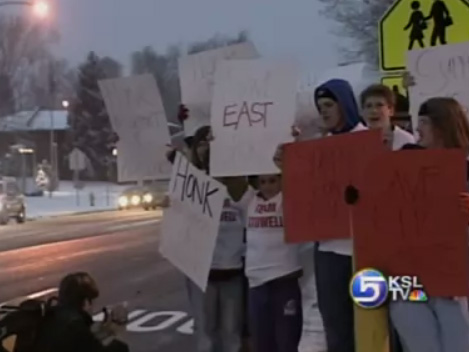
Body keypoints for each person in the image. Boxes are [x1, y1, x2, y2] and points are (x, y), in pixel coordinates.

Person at [390, 97, 469, 352]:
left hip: (453, 282)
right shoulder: (403, 165)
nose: (417, 129)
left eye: (423, 122)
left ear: (442, 125)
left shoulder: (465, 168)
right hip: (408, 279)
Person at [165, 124, 249, 352]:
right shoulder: (191, 182)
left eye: (211, 143)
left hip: (232, 270)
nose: (207, 149)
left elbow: (251, 210)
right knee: (205, 335)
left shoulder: (236, 182)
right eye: (202, 143)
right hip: (202, 273)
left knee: (231, 334)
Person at [313, 79, 366, 352]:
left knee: (371, 327)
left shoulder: (370, 139)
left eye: (329, 105)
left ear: (345, 104)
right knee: (335, 327)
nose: (323, 111)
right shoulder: (316, 148)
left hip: (366, 252)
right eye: (320, 106)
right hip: (329, 252)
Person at [243, 174, 303, 352]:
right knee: (262, 342)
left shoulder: (290, 199)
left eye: (272, 181)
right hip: (257, 284)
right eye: (262, 182)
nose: (267, 186)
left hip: (285, 281)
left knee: (287, 341)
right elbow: (230, 179)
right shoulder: (248, 200)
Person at [36, 272, 129, 352]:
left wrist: (102, 330)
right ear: (86, 301)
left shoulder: (50, 316)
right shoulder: (75, 327)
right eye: (92, 301)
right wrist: (118, 332)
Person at [360, 84, 415, 150]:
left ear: (391, 110)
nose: (373, 111)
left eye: (379, 105)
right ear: (362, 112)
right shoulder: (356, 140)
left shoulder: (406, 140)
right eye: (368, 106)